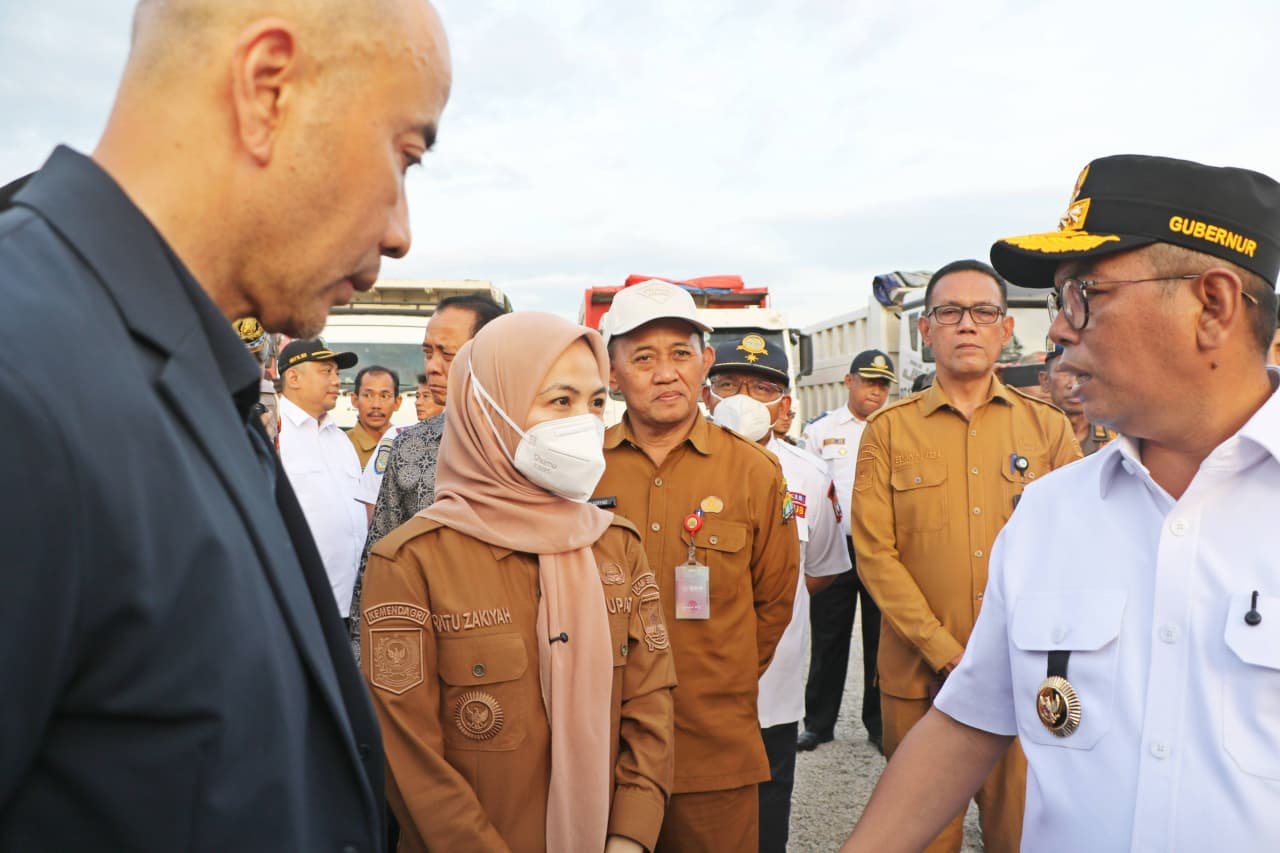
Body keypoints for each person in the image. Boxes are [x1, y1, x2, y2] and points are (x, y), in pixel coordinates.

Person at [0, 0, 450, 846]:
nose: (400, 233)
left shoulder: (179, 373)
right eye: (403, 156)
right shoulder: (24, 376)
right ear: (267, 89)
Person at [844, 154, 1280, 851]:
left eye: (1084, 294)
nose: (1057, 330)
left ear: (1213, 305)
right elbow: (968, 722)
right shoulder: (1050, 512)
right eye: (1057, 301)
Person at [360, 312, 676, 853]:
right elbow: (406, 751)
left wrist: (630, 836)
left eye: (596, 402)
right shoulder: (411, 561)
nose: (584, 423)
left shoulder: (616, 546)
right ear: (489, 409)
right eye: (560, 401)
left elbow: (651, 706)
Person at [850, 260, 1081, 852]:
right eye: (950, 312)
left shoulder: (1048, 429)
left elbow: (1078, 548)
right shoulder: (888, 432)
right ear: (926, 330)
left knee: (1022, 833)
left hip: (1023, 676)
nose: (967, 325)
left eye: (983, 312)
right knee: (925, 836)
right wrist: (944, 650)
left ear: (1006, 329)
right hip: (920, 679)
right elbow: (875, 554)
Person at [594, 280, 800, 852]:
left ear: (705, 362)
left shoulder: (755, 473)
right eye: (643, 358)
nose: (666, 374)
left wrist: (717, 680)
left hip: (713, 751)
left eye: (681, 354)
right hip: (601, 749)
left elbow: (774, 604)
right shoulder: (584, 470)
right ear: (612, 373)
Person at [703, 337, 850, 853]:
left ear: (785, 403)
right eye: (728, 385)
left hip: (772, 686)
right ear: (706, 395)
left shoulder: (808, 475)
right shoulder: (670, 466)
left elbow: (821, 571)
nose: (743, 399)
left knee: (766, 813)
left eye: (762, 388)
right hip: (684, 684)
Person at [348, 292, 505, 657]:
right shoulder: (410, 447)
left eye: (447, 354)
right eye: (427, 352)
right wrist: (363, 656)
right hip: (430, 647)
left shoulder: (532, 445)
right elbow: (379, 561)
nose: (432, 367)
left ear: (492, 354)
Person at [798, 349, 895, 753]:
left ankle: (879, 724)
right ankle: (818, 724)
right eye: (869, 381)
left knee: (881, 642)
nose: (876, 391)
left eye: (883, 385)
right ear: (849, 382)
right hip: (835, 547)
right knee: (827, 638)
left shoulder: (896, 426)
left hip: (881, 549)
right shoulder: (821, 430)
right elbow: (808, 487)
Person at [277, 339, 369, 619]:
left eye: (337, 373)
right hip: (300, 605)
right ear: (294, 378)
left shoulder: (339, 438)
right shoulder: (274, 434)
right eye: (326, 371)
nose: (336, 381)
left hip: (352, 603)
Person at [1038, 344, 1115, 455]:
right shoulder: (1030, 434)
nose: (1074, 384)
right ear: (1045, 381)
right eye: (1064, 371)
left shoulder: (1119, 436)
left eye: (1083, 372)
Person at [348, 365, 403, 467]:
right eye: (368, 395)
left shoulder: (408, 445)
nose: (376, 405)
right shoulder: (341, 445)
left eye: (384, 396)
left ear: (397, 402)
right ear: (354, 400)